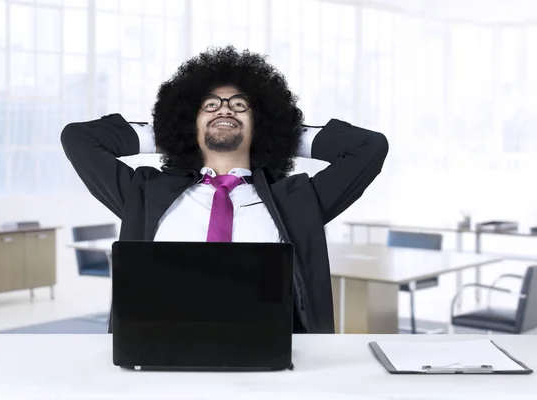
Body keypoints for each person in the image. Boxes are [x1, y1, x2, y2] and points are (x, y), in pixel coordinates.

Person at [61, 46, 389, 334]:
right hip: (163, 353)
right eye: (210, 105)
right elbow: (79, 138)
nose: (225, 109)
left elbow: (369, 147)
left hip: (266, 361)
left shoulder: (295, 202)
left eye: (240, 106)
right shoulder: (146, 193)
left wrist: (286, 134)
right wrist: (170, 131)